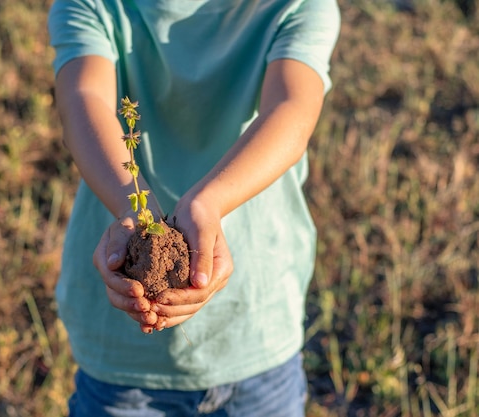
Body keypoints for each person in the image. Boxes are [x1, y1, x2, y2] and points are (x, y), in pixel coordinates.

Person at [48, 0, 340, 415]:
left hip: (254, 331)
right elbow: (83, 98)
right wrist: (136, 210)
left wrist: (209, 203)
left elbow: (291, 109)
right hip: (122, 353)